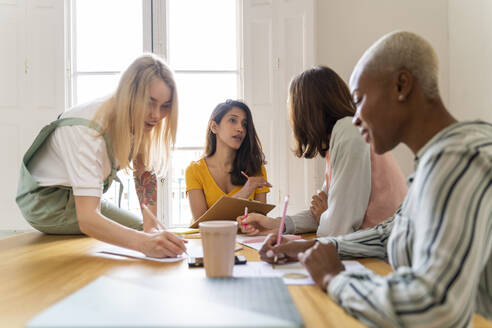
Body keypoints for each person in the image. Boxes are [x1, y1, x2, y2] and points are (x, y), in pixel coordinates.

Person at [260, 31, 492, 327]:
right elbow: (389, 234)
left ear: (401, 86)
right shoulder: (437, 161)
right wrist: (317, 247)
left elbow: (433, 308)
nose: (354, 118)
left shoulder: (458, 161)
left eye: (358, 100)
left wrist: (336, 278)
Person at [16, 54, 187, 258]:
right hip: (45, 203)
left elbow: (143, 173)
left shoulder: (134, 118)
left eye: (165, 106)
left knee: (147, 232)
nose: (157, 115)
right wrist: (144, 242)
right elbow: (88, 219)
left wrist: (151, 229)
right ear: (129, 95)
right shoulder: (88, 130)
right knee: (141, 240)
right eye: (150, 103)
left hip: (76, 198)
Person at [238, 66, 407, 237]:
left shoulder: (349, 131)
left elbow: (336, 228)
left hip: (384, 251)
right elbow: (321, 210)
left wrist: (325, 215)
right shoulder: (340, 137)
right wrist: (274, 224)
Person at [185, 100, 271, 222]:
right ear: (214, 127)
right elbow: (201, 222)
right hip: (209, 240)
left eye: (244, 124)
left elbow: (260, 221)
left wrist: (254, 225)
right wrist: (245, 191)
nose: (240, 128)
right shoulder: (195, 170)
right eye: (232, 120)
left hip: (245, 241)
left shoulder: (256, 168)